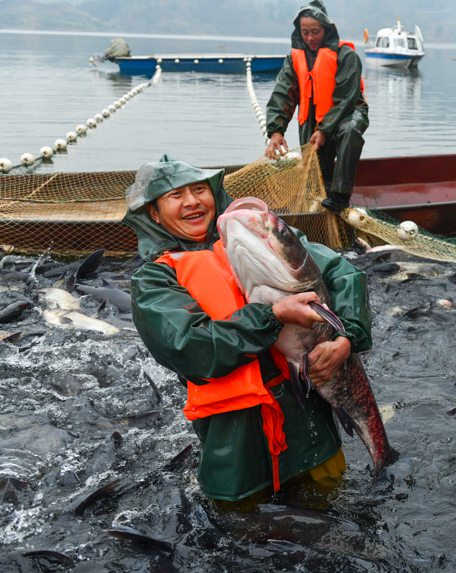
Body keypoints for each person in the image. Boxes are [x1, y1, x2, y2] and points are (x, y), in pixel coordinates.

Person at [122, 154, 372, 504]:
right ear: (153, 213)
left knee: (339, 508)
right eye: (176, 196)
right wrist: (272, 315)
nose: (192, 202)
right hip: (237, 450)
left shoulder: (256, 235)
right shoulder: (153, 280)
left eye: (199, 190)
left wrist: (348, 337)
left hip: (311, 431)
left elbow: (344, 274)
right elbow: (192, 349)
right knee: (245, 537)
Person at [264, 0, 368, 213]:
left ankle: (340, 196)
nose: (310, 38)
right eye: (305, 32)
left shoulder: (346, 56)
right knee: (316, 180)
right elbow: (283, 94)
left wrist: (324, 130)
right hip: (313, 120)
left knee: (350, 131)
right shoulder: (293, 59)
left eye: (315, 32)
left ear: (327, 30)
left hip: (347, 114)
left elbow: (345, 99)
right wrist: (276, 131)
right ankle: (326, 193)